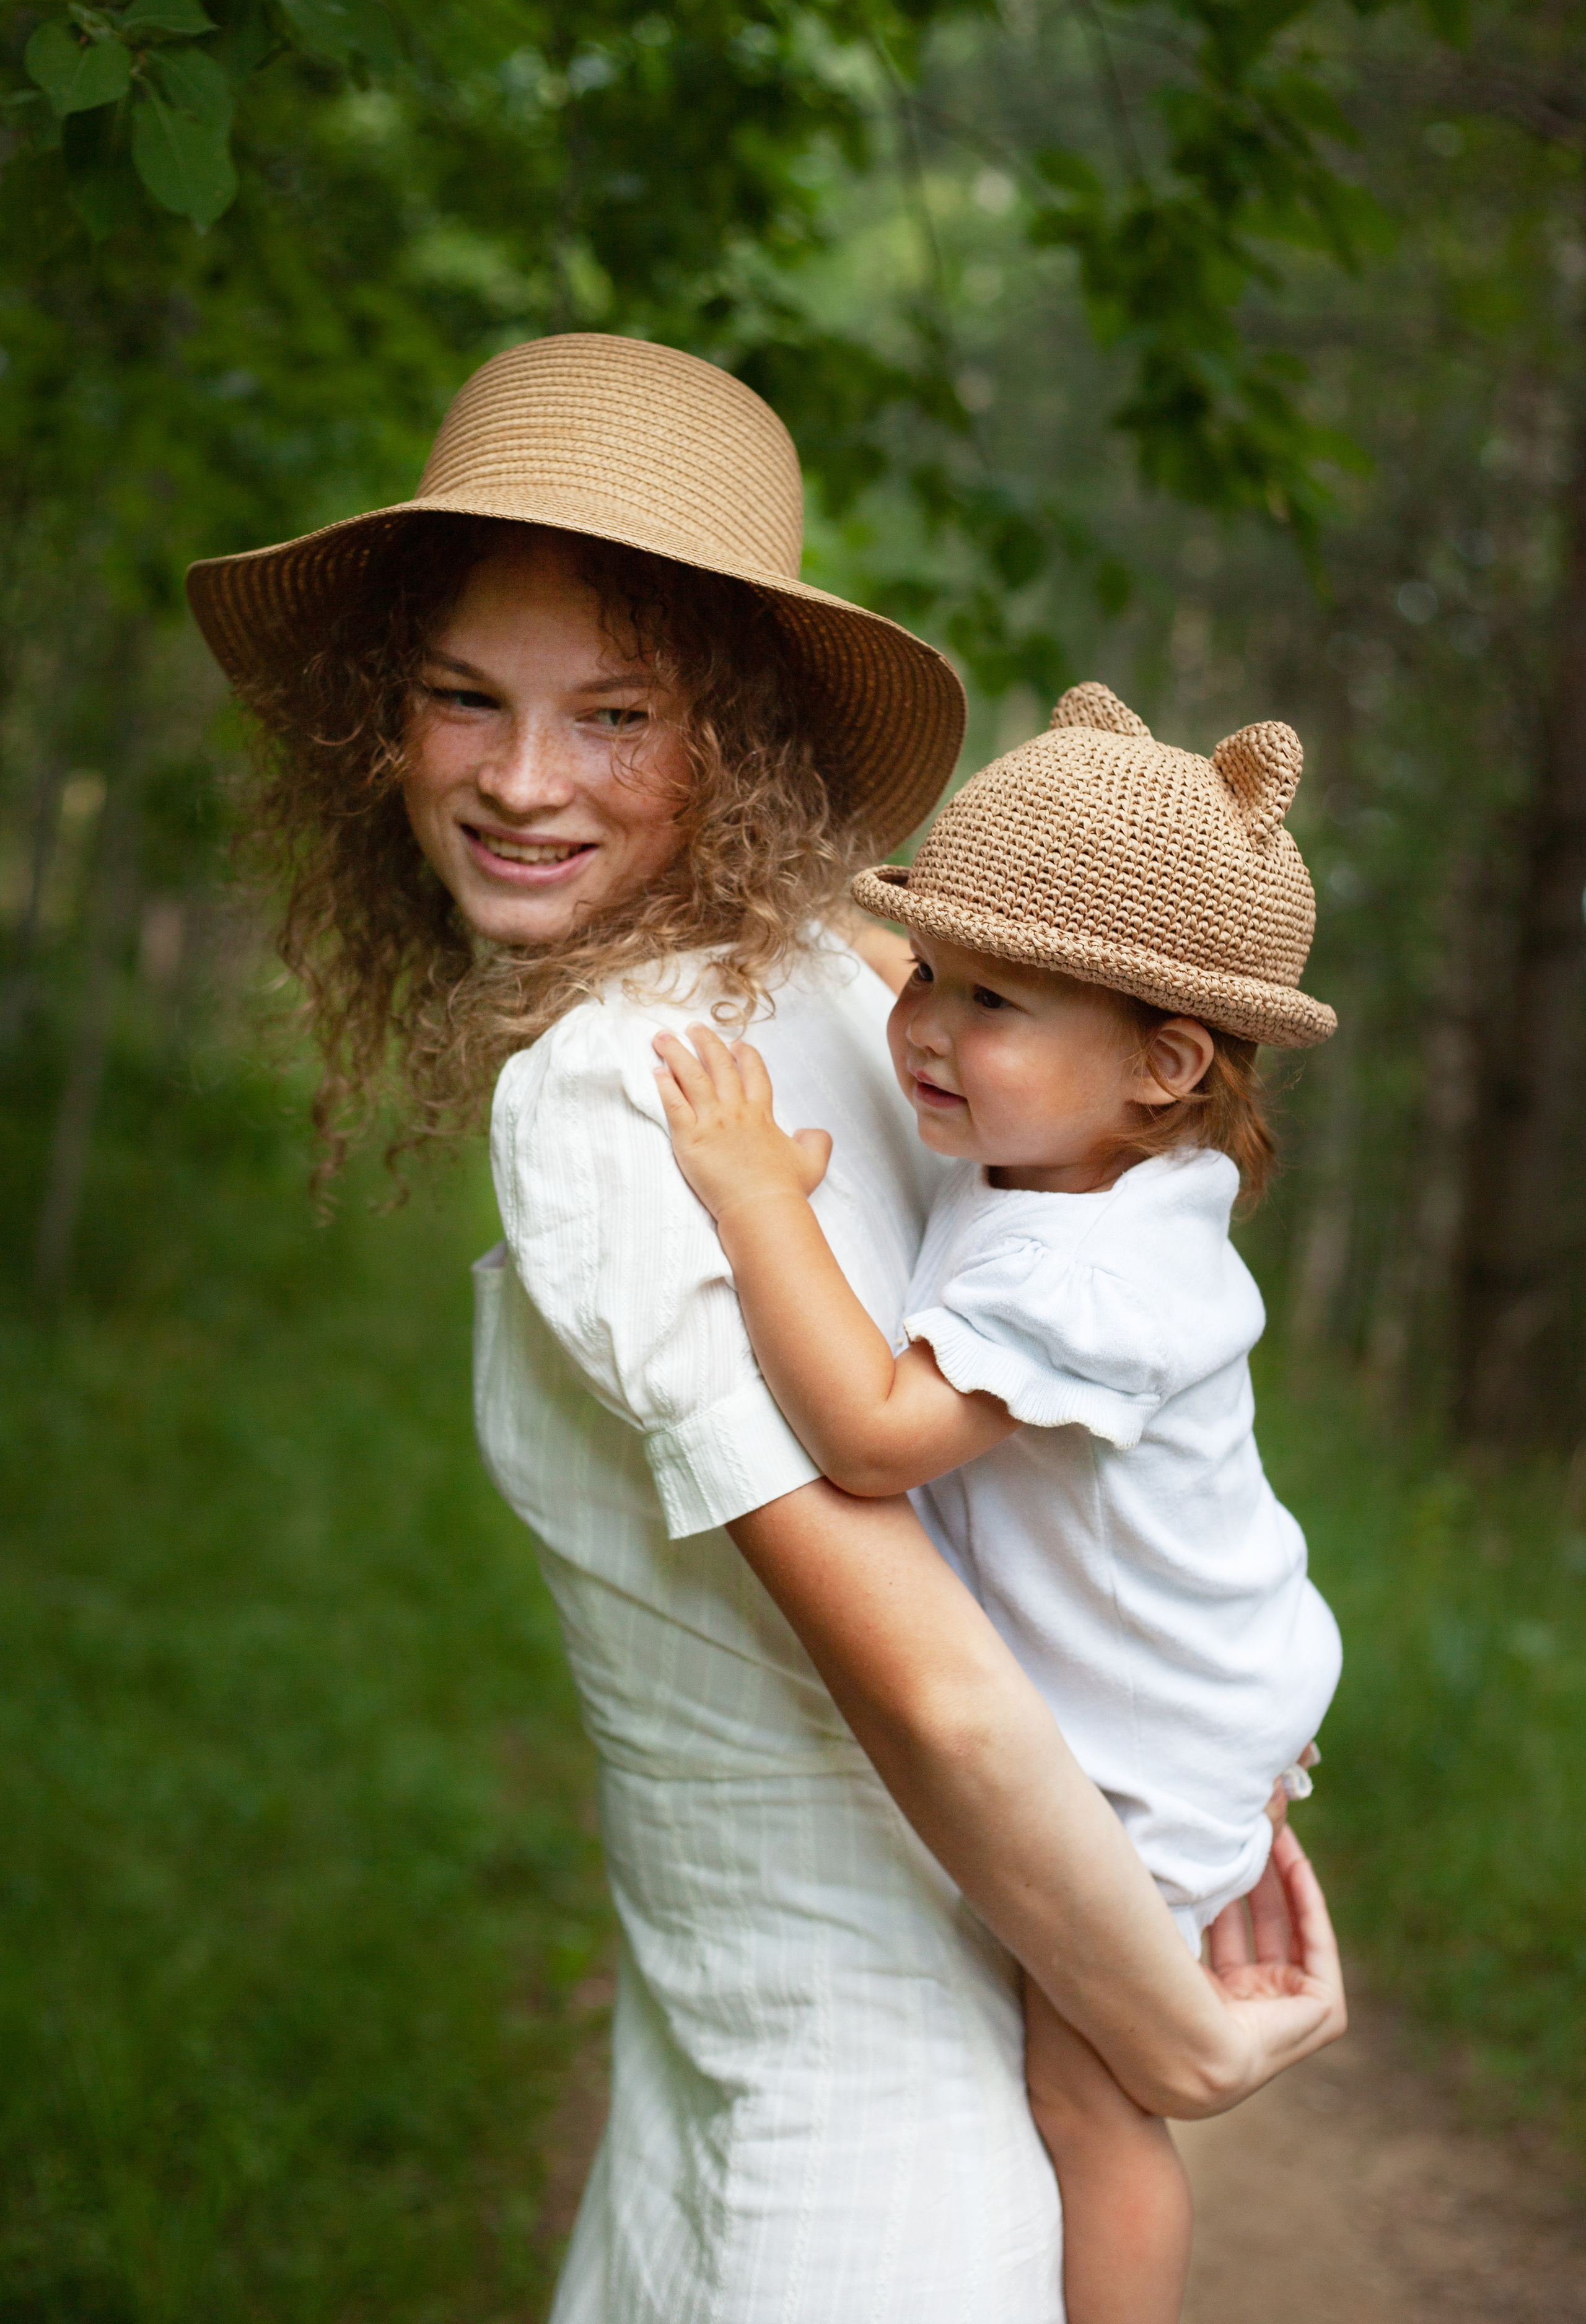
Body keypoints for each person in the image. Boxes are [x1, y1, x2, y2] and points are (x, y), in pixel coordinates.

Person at [186, 333, 1346, 2323]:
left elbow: (937, 1679)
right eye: (463, 698)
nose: (521, 782)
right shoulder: (859, 968)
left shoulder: (615, 1086)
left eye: (612, 714)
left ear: (729, 727)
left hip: (852, 2146)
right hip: (767, 2058)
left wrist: (1171, 2034)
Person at [651, 683, 1343, 2324]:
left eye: (997, 1004)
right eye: (929, 977)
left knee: (1089, 2093)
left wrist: (756, 1203)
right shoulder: (1083, 1153)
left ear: (1168, 1061)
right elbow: (912, 976)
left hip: (1155, 1732)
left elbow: (878, 1439)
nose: (929, 1030)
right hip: (1209, 1660)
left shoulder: (1093, 1272)